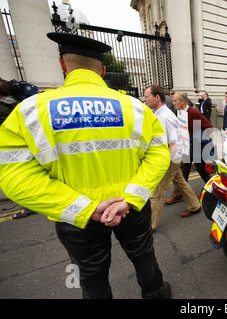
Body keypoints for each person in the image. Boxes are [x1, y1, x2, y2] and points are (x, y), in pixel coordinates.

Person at [0, 32, 172, 299]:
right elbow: (159, 154)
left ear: (62, 65)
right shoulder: (135, 108)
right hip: (130, 207)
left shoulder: (30, 111)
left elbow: (15, 177)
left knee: (91, 276)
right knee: (143, 257)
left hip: (76, 216)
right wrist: (128, 198)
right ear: (103, 70)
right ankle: (155, 294)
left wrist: (84, 208)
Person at [143, 85, 202, 228]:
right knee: (180, 183)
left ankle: (150, 225)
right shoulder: (158, 114)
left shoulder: (165, 117)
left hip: (170, 160)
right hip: (171, 158)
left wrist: (164, 164)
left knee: (157, 192)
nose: (144, 100)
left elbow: (173, 143)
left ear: (157, 98)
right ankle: (195, 205)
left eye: (146, 96)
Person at [165, 92, 213, 211]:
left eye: (175, 100)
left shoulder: (193, 112)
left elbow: (208, 127)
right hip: (186, 147)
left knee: (202, 170)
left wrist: (197, 140)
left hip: (196, 147)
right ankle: (177, 195)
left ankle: (214, 190)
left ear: (182, 102)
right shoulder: (181, 113)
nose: (173, 102)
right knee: (182, 170)